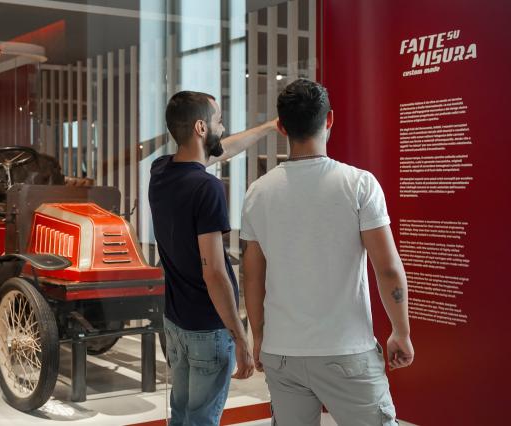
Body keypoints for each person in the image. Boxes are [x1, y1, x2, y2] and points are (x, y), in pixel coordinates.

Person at [240, 79, 414, 426]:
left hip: (282, 352)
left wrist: (259, 337)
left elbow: (252, 276)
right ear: (329, 119)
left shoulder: (258, 192)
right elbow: (388, 270)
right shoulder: (359, 184)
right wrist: (401, 331)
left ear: (282, 127)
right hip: (346, 350)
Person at [149, 90, 277, 425]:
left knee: (181, 415)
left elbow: (222, 150)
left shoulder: (160, 171)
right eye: (219, 120)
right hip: (208, 329)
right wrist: (240, 337)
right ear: (201, 127)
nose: (224, 127)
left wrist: (268, 127)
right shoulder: (207, 188)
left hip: (176, 323)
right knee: (202, 420)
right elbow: (215, 273)